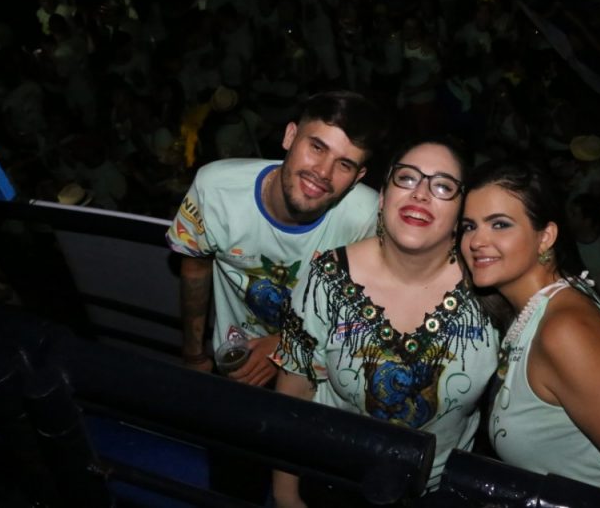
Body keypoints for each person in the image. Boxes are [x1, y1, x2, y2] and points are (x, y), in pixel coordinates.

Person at [272, 139, 499, 506]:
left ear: (462, 214)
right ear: (382, 198)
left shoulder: (490, 289)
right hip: (332, 481)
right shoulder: (326, 278)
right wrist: (285, 494)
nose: (421, 193)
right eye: (406, 178)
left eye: (443, 186)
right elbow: (294, 391)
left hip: (439, 495)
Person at [460, 159, 600, 506]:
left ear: (545, 237)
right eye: (469, 226)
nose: (477, 240)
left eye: (500, 224)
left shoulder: (565, 331)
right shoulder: (545, 306)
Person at [166, 91, 383, 386]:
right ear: (290, 136)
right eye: (317, 147)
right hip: (236, 364)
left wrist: (288, 343)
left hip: (319, 373)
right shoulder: (216, 189)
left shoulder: (366, 216)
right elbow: (195, 266)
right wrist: (194, 356)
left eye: (344, 164)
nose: (323, 172)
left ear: (357, 178)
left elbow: (372, 302)